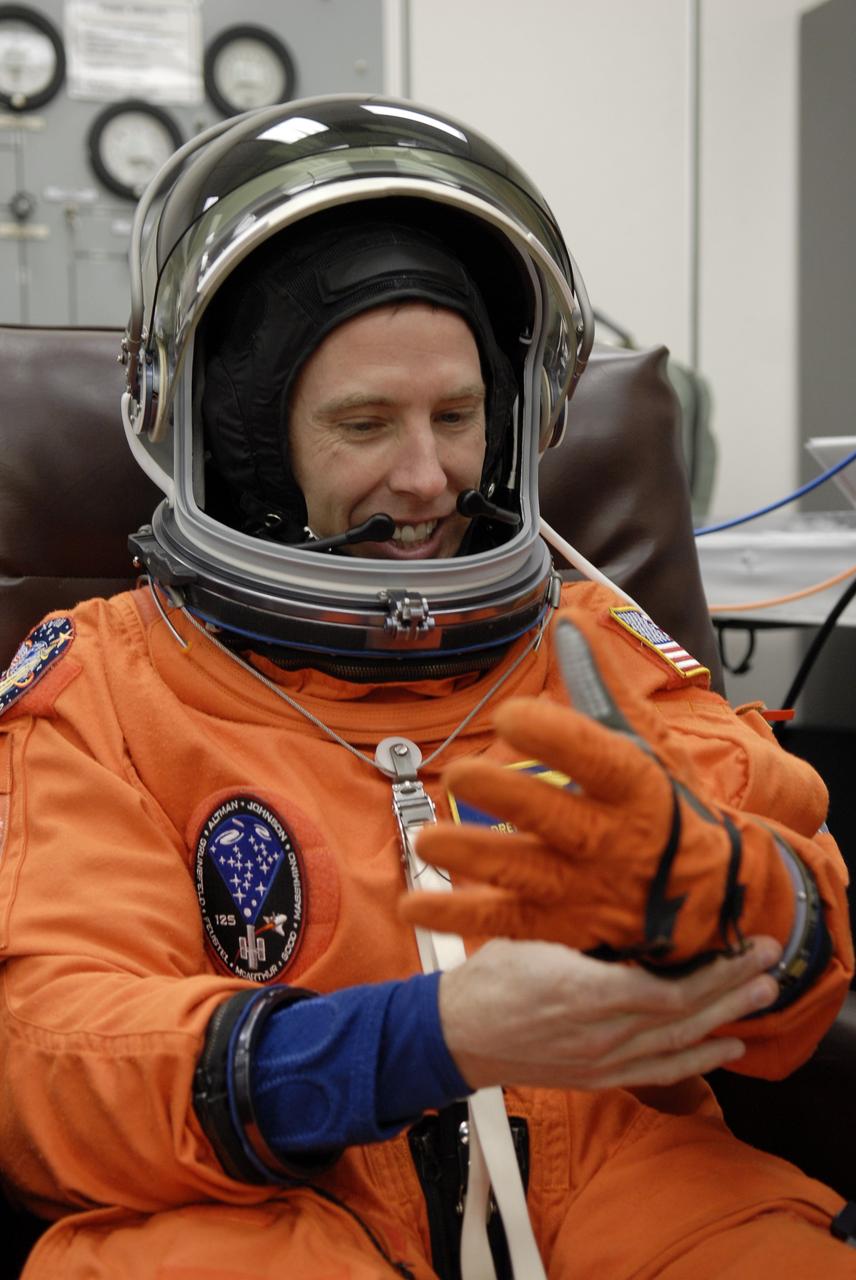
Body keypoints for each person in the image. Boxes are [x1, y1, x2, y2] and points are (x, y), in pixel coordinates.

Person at [0, 94, 854, 1280]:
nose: (428, 475)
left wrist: (735, 897)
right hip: (272, 1202)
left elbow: (807, 960)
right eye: (363, 424)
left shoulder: (595, 649)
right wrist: (418, 1039)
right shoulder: (108, 689)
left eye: (458, 416)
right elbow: (55, 1062)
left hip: (627, 1174)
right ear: (240, 438)